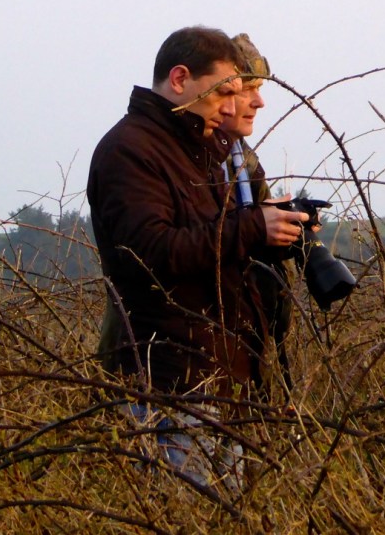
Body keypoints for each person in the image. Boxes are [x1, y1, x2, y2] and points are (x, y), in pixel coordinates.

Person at [87, 26, 308, 490]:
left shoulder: (206, 147)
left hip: (224, 378)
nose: (234, 106)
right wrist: (253, 227)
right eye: (225, 91)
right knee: (183, 515)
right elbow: (149, 253)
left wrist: (274, 235)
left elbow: (212, 242)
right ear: (181, 79)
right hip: (171, 384)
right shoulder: (130, 150)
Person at [221, 34, 298, 398]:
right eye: (247, 88)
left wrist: (288, 230)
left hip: (246, 347)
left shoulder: (242, 158)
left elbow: (253, 233)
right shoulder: (189, 160)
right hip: (194, 359)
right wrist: (257, 226)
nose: (259, 101)